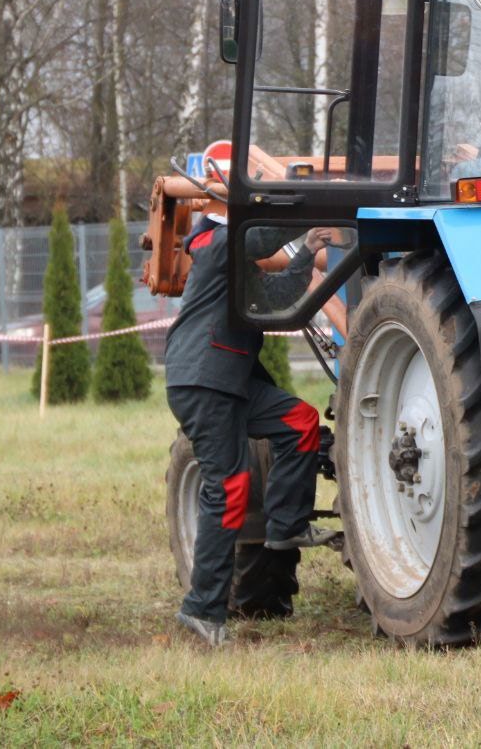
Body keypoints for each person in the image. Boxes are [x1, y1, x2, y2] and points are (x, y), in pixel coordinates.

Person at [165, 195, 338, 648]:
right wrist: (308, 212)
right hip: (205, 381)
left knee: (300, 421)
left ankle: (286, 528)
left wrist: (306, 249)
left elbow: (278, 296)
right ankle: (201, 610)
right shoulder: (211, 241)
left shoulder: (236, 256)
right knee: (230, 488)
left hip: (231, 380)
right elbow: (256, 236)